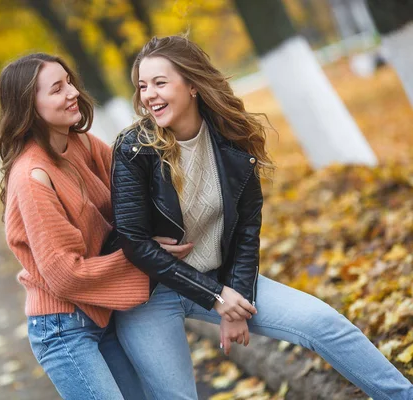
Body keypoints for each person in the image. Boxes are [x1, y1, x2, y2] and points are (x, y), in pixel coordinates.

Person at [111, 35, 413, 400]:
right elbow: (135, 244)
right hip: (152, 294)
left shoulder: (230, 136)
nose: (149, 95)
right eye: (143, 86)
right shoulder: (135, 148)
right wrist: (216, 297)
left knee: (324, 323)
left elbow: (247, 226)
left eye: (160, 82)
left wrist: (234, 296)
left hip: (220, 279)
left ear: (192, 84)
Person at [0, 53, 159, 399]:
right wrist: (146, 255)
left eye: (68, 81)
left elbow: (131, 189)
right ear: (29, 105)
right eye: (57, 89)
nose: (72, 92)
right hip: (63, 327)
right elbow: (63, 274)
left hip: (101, 311)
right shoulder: (31, 177)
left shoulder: (80, 142)